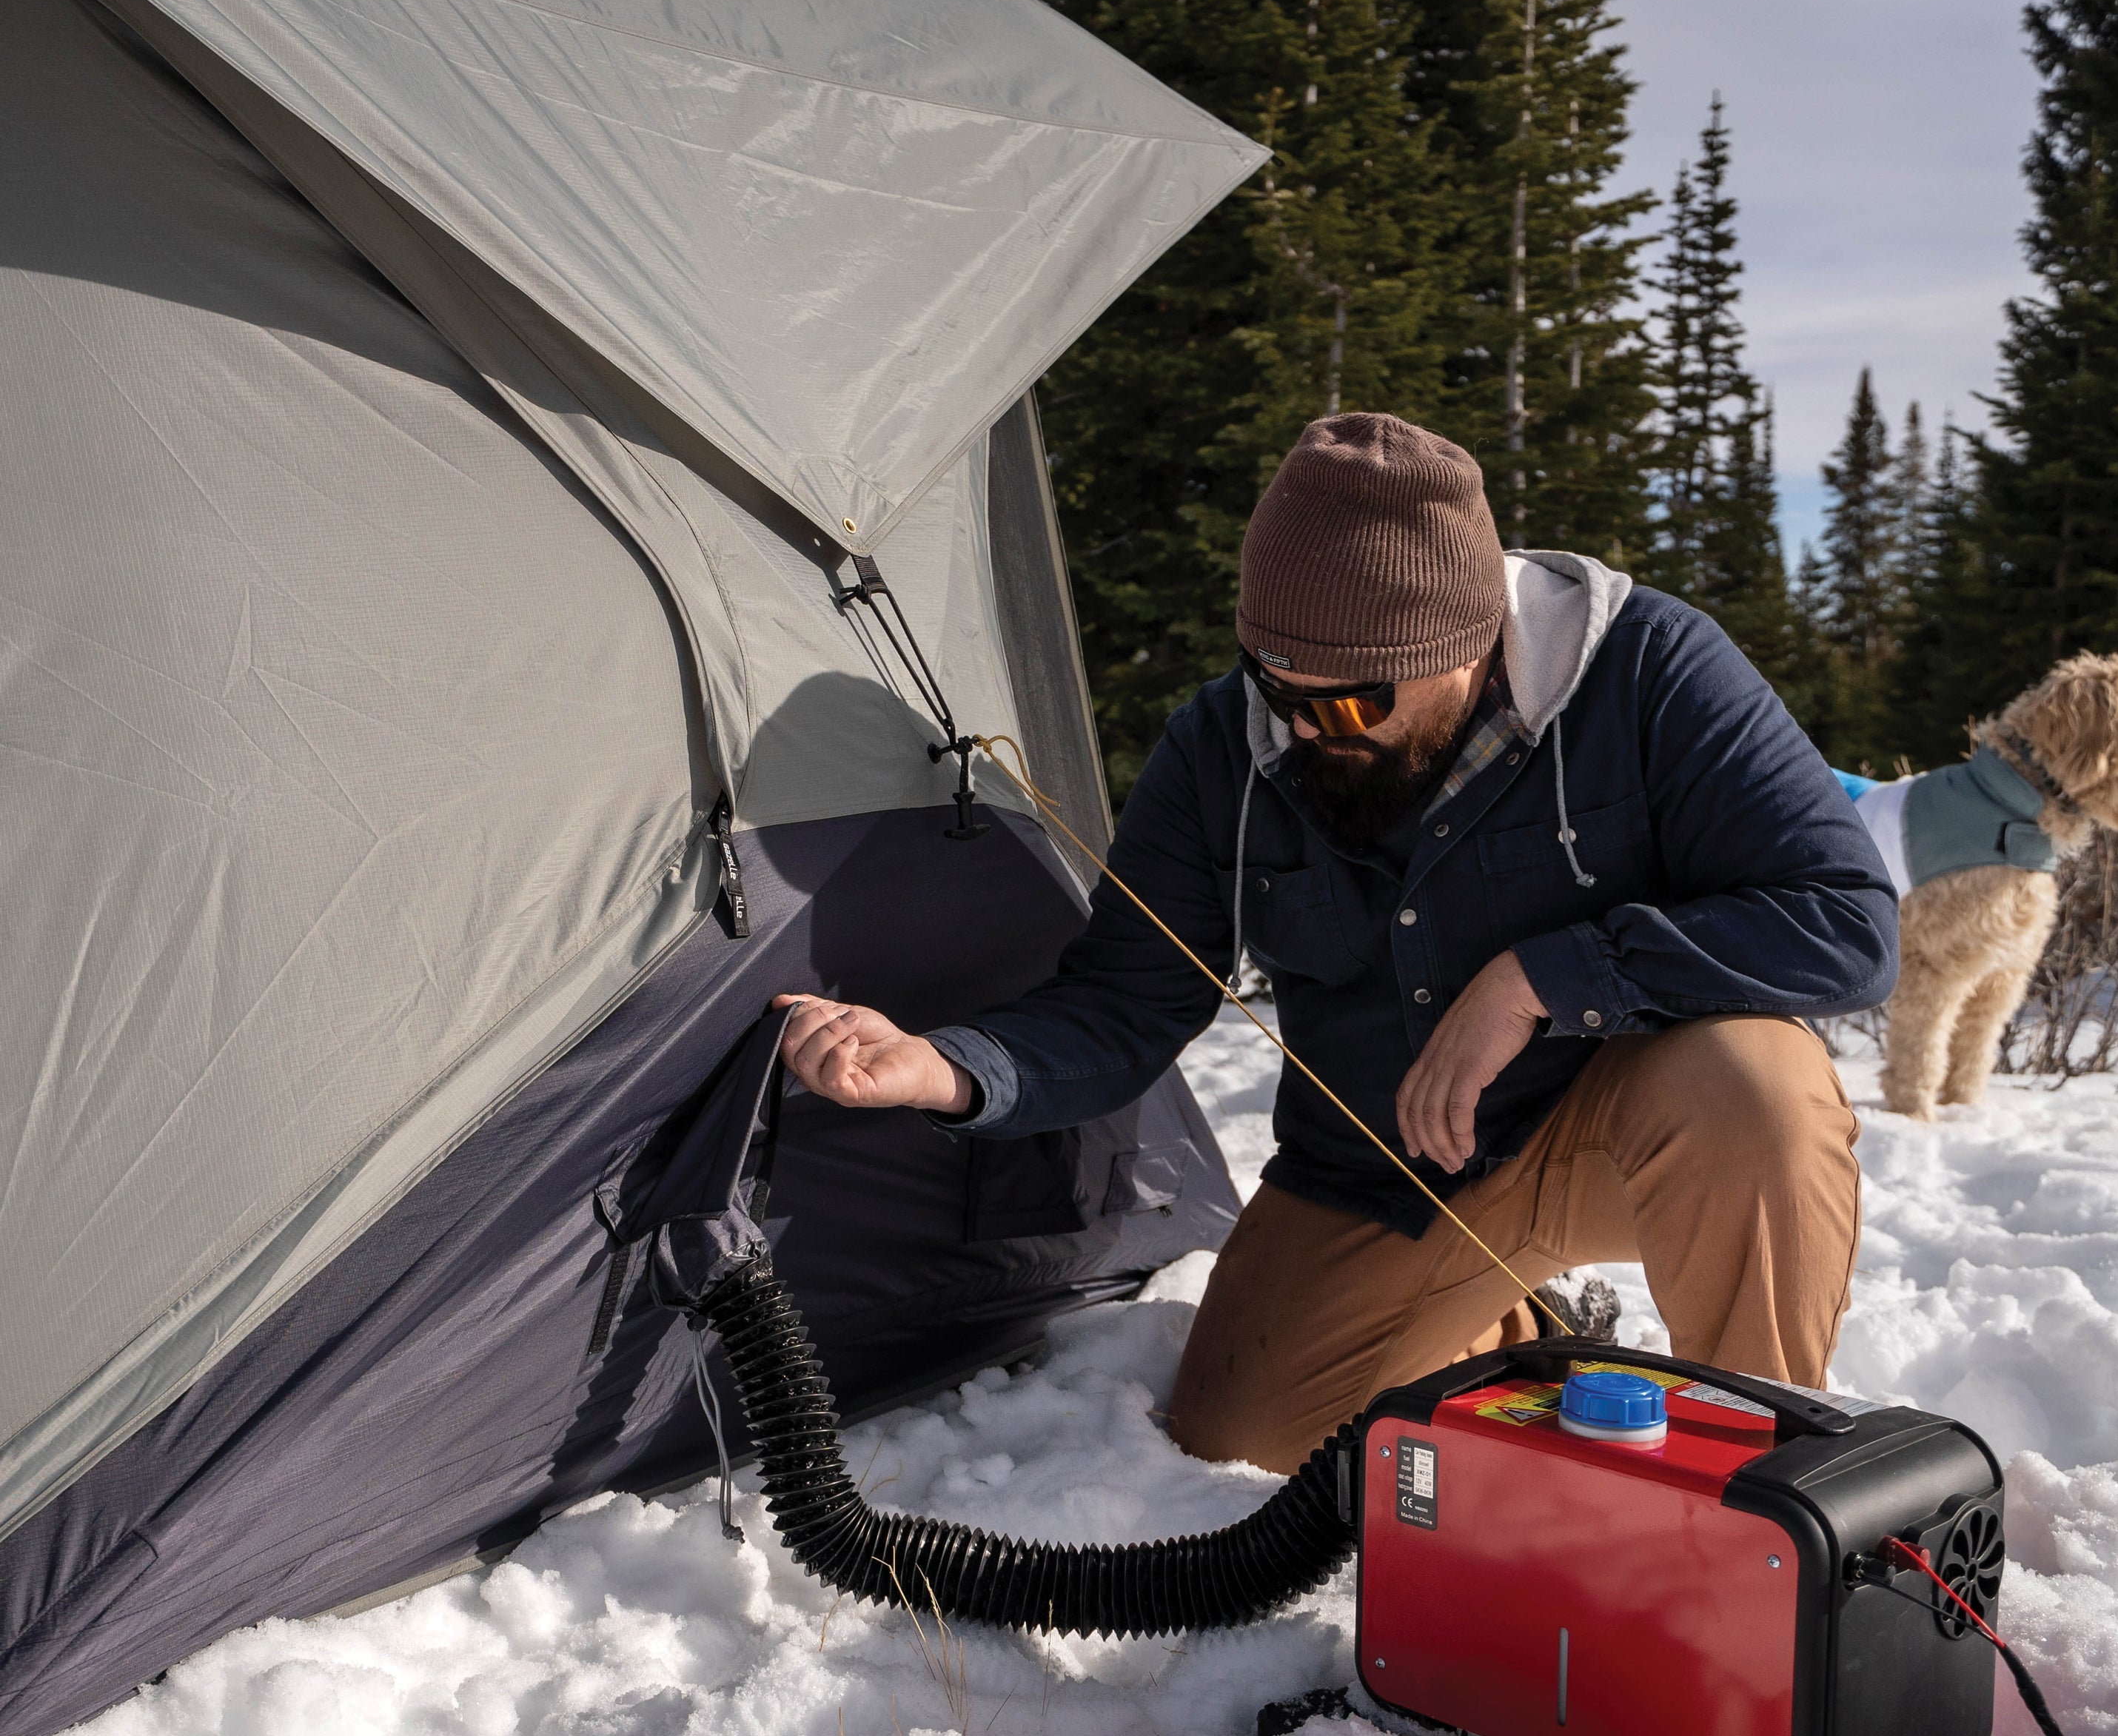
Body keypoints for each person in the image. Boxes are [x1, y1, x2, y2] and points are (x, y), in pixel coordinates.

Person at [777, 414, 1896, 1473]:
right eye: (1279, 688)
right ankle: (1523, 1329)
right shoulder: (1222, 745)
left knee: (1756, 1088)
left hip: (1638, 1135)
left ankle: (1758, 1476)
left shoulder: (1648, 669)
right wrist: (949, 1068)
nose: (1308, 728)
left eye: (1355, 703)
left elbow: (1846, 918)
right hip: (1385, 1175)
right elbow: (1125, 998)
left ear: (1471, 644)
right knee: (1244, 1442)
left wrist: (1545, 978)